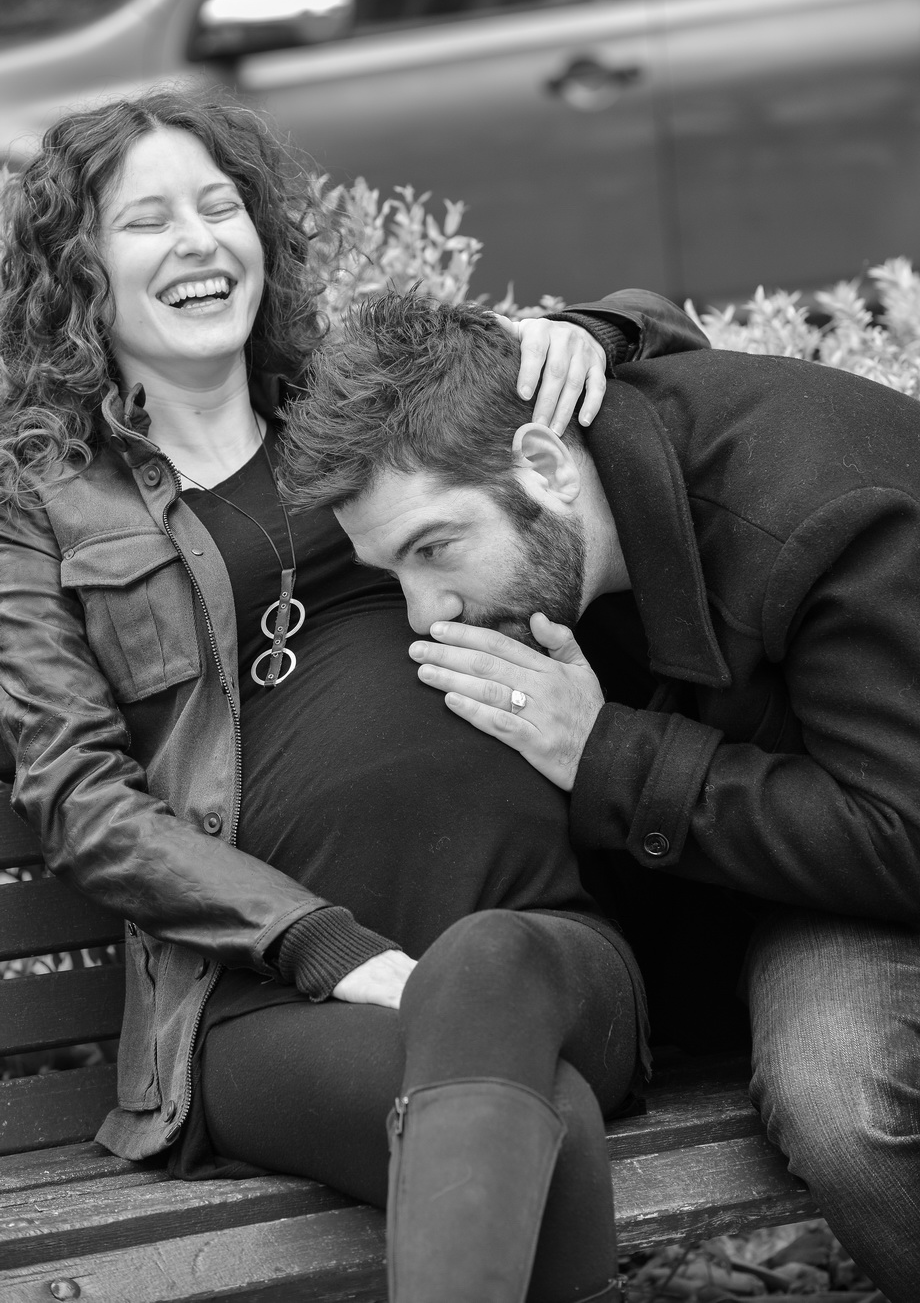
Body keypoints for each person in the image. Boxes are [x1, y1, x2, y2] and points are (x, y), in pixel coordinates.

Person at [0, 90, 704, 1302]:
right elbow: (77, 799)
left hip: (544, 939)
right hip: (265, 1000)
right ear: (79, 270)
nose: (198, 241)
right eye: (147, 221)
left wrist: (590, 330)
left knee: (492, 976)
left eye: (220, 206)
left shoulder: (365, 393)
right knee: (548, 1124)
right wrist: (322, 947)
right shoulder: (38, 506)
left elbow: (669, 344)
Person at [280, 288, 920, 1303]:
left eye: (434, 548)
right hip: (787, 881)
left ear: (542, 466)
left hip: (884, 860)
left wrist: (604, 754)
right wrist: (612, 321)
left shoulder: (831, 515)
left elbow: (904, 838)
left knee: (841, 1099)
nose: (426, 611)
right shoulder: (568, 486)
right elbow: (641, 339)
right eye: (392, 569)